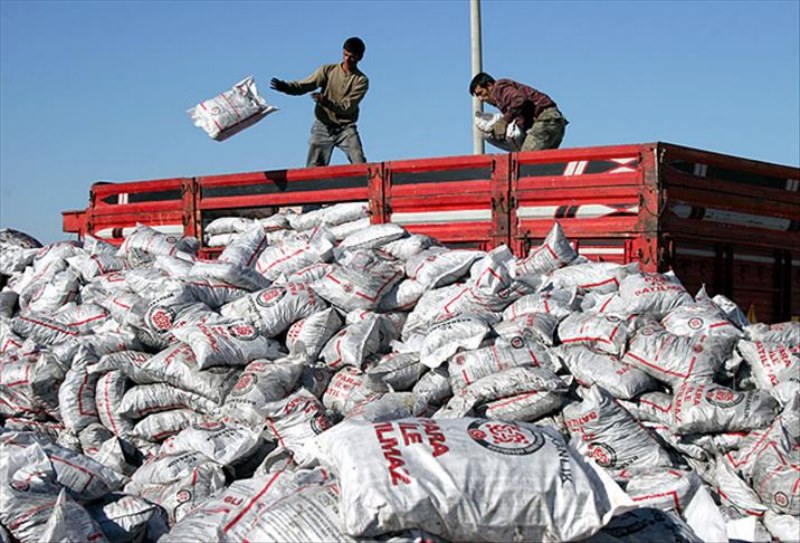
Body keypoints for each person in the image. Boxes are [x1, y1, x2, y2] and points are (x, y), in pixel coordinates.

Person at [270, 37, 369, 168]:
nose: (347, 59)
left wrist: (326, 102)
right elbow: (304, 85)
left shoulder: (361, 80)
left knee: (360, 162)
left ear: (359, 58)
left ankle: (367, 187)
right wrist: (285, 87)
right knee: (313, 169)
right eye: (345, 55)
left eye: (352, 57)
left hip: (345, 128)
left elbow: (347, 107)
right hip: (323, 126)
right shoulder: (328, 70)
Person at [469, 72, 568, 151]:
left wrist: (504, 121)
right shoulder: (502, 97)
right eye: (477, 96)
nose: (481, 99)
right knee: (540, 165)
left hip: (546, 120)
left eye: (480, 93)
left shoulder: (499, 88)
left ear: (489, 85)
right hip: (554, 122)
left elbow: (519, 99)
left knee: (526, 160)